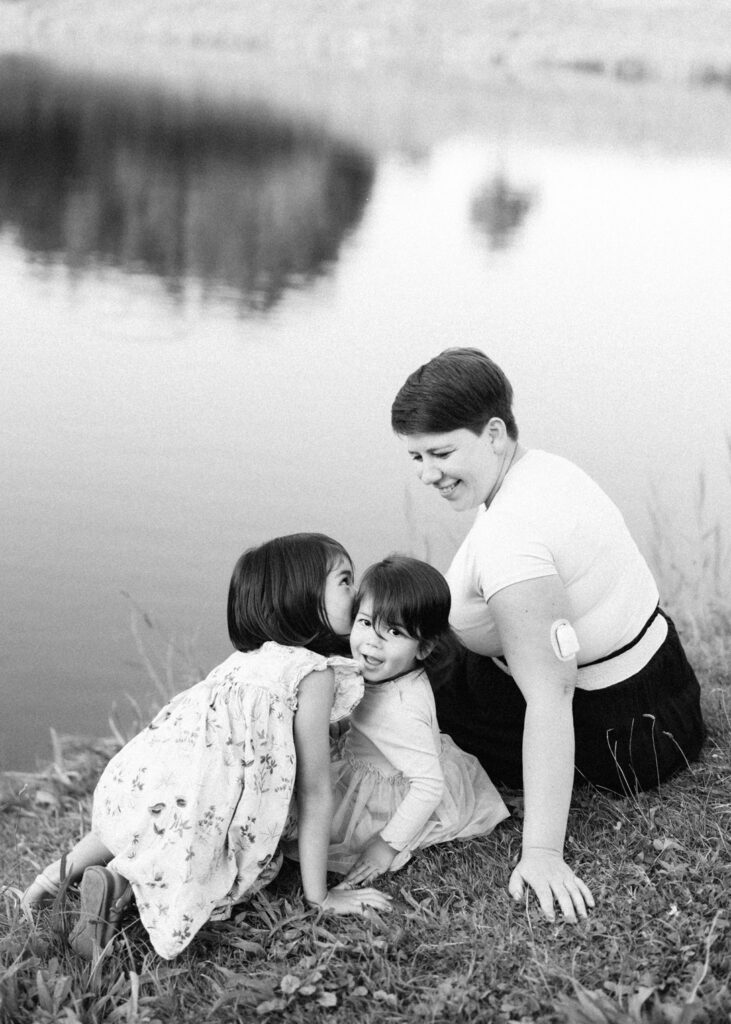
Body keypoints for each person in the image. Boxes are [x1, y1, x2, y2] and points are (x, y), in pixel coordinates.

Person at [390, 348, 705, 924]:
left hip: (627, 739)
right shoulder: (544, 467)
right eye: (415, 456)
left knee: (395, 687)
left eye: (440, 452)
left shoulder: (515, 541)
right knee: (399, 647)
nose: (427, 473)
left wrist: (542, 853)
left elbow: (551, 695)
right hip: (667, 688)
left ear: (493, 433)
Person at [20, 533, 391, 959]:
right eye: (345, 580)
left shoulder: (243, 660)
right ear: (303, 598)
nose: (357, 591)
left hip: (144, 771)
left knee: (137, 824)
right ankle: (121, 886)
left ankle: (53, 878)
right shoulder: (312, 673)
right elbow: (315, 789)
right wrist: (319, 897)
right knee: (210, 868)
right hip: (207, 797)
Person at [323, 555, 510, 884]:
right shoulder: (393, 671)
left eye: (393, 631)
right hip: (393, 759)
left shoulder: (399, 712)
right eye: (365, 622)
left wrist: (386, 845)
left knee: (313, 813)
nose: (372, 640)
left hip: (395, 792)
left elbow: (428, 786)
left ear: (423, 648)